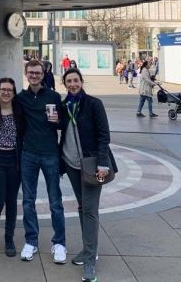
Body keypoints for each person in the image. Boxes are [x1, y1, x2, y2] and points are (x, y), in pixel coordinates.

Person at [59, 67, 118, 282]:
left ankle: (91, 260)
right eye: (69, 81)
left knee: (90, 210)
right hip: (72, 164)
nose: (72, 84)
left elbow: (104, 135)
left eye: (75, 80)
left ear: (81, 82)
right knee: (83, 207)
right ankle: (87, 249)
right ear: (64, 84)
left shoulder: (94, 104)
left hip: (92, 164)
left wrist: (103, 162)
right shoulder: (64, 105)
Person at [16, 59, 66, 264]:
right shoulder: (21, 98)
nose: (34, 75)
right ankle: (31, 240)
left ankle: (59, 243)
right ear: (26, 74)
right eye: (31, 73)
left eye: (38, 72)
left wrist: (59, 122)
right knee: (28, 200)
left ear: (43, 74)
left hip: (50, 153)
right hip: (29, 153)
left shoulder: (53, 96)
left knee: (55, 201)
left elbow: (64, 122)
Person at [0, 78, 24, 258]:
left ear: (14, 93)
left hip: (14, 160)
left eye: (9, 90)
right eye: (3, 90)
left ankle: (9, 238)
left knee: (11, 201)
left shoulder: (19, 110)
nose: (6, 92)